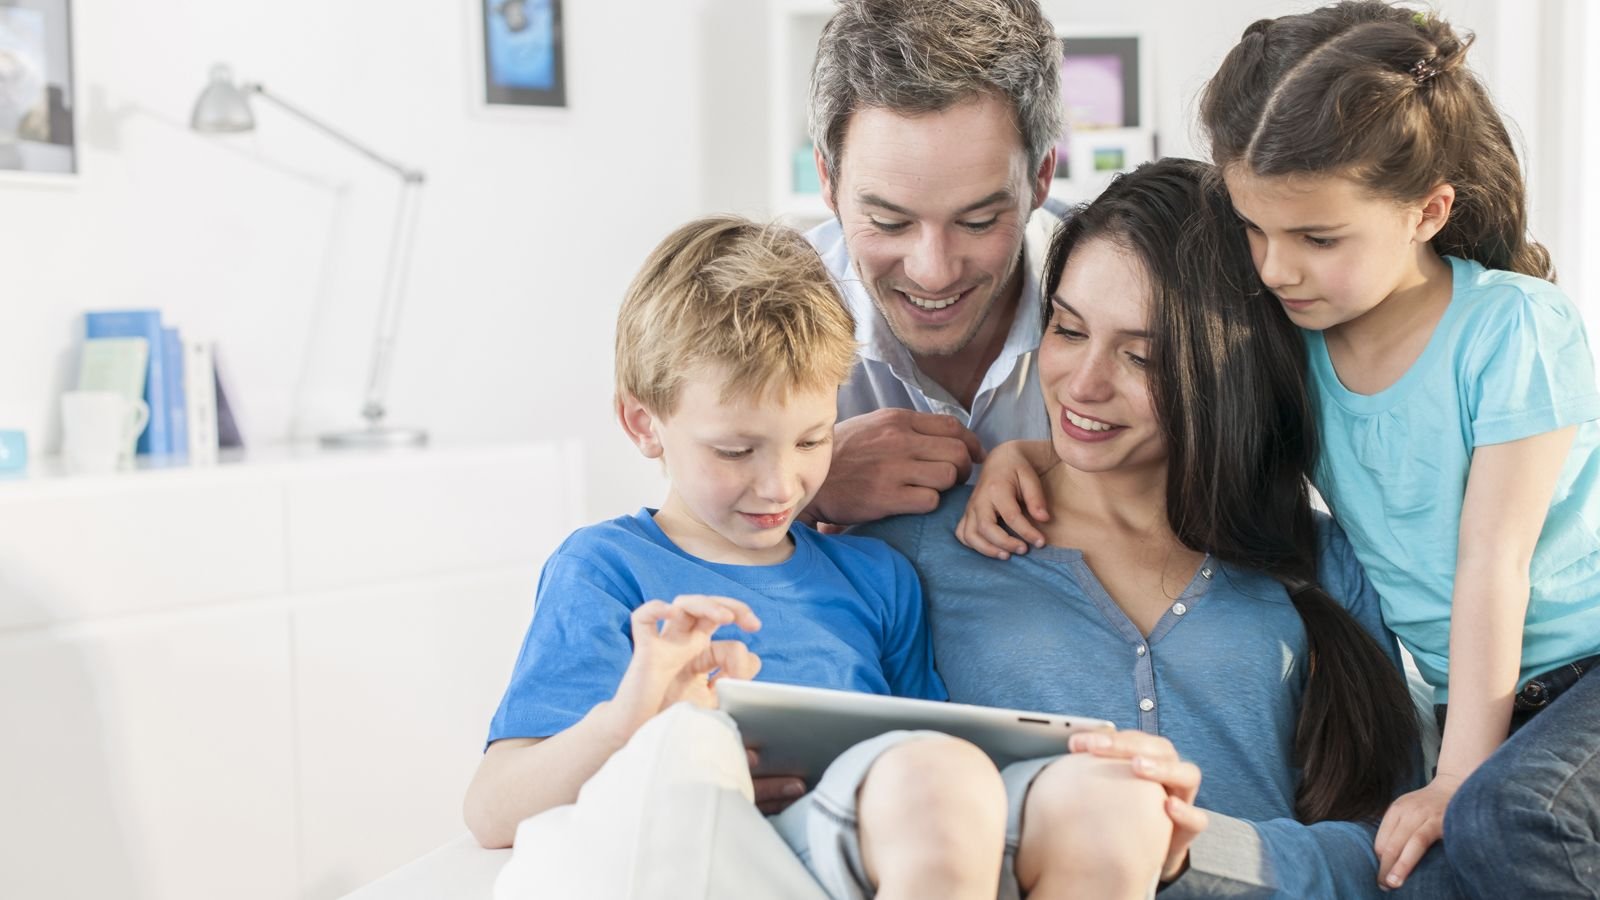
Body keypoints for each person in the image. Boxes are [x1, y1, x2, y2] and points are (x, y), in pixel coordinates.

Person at [465, 215, 1177, 900]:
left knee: (1109, 802)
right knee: (937, 780)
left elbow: (939, 745)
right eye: (736, 450)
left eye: (812, 441)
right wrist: (632, 719)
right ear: (643, 423)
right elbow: (492, 808)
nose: (780, 486)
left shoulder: (874, 575)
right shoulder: (607, 568)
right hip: (768, 839)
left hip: (896, 823)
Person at [856, 157, 1425, 898]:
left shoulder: (1316, 559)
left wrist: (1193, 850)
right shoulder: (924, 547)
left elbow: (1390, 849)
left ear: (1226, 372)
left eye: (1140, 355)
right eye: (1067, 328)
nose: (1084, 383)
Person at [1195, 3, 1600, 894]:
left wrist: (1456, 779)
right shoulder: (1291, 346)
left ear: (1428, 211)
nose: (1272, 268)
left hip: (1585, 674)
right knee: (1409, 877)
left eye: (1317, 238)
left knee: (1510, 814)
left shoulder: (1512, 327)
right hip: (1486, 711)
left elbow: (1494, 562)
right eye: (1254, 229)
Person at [801, 0, 1066, 527]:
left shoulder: (1132, 301)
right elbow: (691, 540)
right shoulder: (763, 314)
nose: (934, 273)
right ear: (828, 180)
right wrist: (807, 483)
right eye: (890, 224)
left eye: (978, 222)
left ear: (1041, 178)